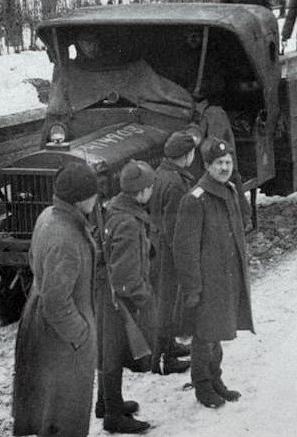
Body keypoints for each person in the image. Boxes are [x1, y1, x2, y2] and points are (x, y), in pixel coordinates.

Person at [13, 162, 100, 437]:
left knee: (47, 410)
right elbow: (56, 302)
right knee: (65, 415)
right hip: (63, 341)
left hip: (42, 327)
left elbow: (32, 260)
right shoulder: (67, 238)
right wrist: (81, 334)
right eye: (94, 194)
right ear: (82, 197)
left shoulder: (48, 215)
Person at [173, 137, 254, 408]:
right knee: (204, 336)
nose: (225, 167)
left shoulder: (229, 189)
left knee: (218, 332)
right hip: (207, 283)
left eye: (228, 162)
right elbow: (185, 250)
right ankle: (203, 385)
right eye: (219, 163)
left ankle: (216, 379)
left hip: (226, 278)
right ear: (206, 166)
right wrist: (193, 289)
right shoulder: (195, 199)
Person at [97, 160, 156, 434]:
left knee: (110, 351)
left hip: (107, 293)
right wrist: (144, 299)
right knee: (113, 353)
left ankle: (109, 402)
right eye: (150, 187)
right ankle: (112, 414)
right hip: (118, 299)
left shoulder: (117, 209)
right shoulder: (129, 222)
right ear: (142, 192)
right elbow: (126, 276)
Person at [147, 131, 198, 375]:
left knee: (163, 300)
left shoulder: (160, 174)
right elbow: (175, 228)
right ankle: (165, 360)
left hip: (156, 245)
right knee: (167, 304)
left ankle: (168, 348)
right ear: (186, 155)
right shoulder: (177, 184)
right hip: (168, 251)